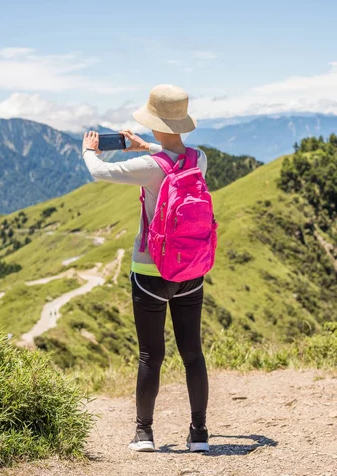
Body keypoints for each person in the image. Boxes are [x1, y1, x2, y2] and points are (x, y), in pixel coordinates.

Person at [82, 84, 209, 453]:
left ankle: (144, 434)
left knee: (151, 355)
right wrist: (146, 145)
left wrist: (89, 150)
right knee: (193, 354)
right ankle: (199, 434)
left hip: (151, 272)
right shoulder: (199, 159)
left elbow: (100, 172)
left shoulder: (149, 168)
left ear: (155, 122)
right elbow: (174, 156)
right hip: (190, 270)